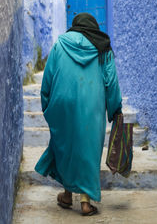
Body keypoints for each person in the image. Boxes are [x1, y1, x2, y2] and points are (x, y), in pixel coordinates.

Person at [35, 13, 122, 216]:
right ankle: (85, 202)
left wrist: (47, 105)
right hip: (92, 104)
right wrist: (115, 108)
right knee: (88, 150)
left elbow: (47, 79)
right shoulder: (102, 47)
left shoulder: (60, 45)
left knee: (65, 146)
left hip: (62, 102)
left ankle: (67, 195)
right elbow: (111, 81)